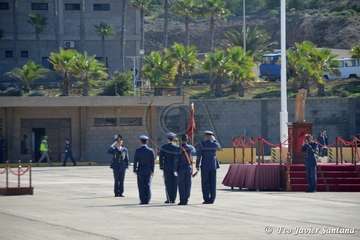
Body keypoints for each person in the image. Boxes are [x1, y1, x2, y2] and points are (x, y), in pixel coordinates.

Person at [196, 131, 221, 204]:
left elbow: (198, 156)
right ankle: (212, 199)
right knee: (213, 183)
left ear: (206, 136)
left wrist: (197, 165)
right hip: (213, 166)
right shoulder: (214, 144)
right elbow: (219, 148)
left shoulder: (202, 144)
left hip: (205, 166)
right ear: (211, 136)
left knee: (205, 183)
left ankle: (206, 199)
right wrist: (214, 140)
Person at [133, 135, 155, 205]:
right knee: (147, 185)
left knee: (141, 185)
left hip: (140, 170)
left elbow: (135, 161)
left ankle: (142, 200)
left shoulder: (138, 150)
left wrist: (135, 170)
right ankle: (147, 199)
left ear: (140, 142)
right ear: (147, 142)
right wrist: (152, 171)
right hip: (148, 170)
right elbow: (152, 162)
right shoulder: (151, 151)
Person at [159, 132, 180, 204]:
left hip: (167, 168)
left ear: (168, 139)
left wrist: (161, 167)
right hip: (175, 168)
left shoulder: (164, 147)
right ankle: (173, 199)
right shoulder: (177, 148)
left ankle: (169, 199)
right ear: (173, 139)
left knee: (168, 183)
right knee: (174, 183)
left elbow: (161, 158)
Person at [176, 134, 196, 205]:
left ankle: (182, 200)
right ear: (187, 140)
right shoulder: (191, 148)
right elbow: (194, 153)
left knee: (181, 185)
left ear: (181, 140)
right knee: (188, 184)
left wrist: (175, 169)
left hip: (181, 168)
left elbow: (176, 160)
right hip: (189, 168)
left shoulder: (178, 148)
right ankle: (186, 199)